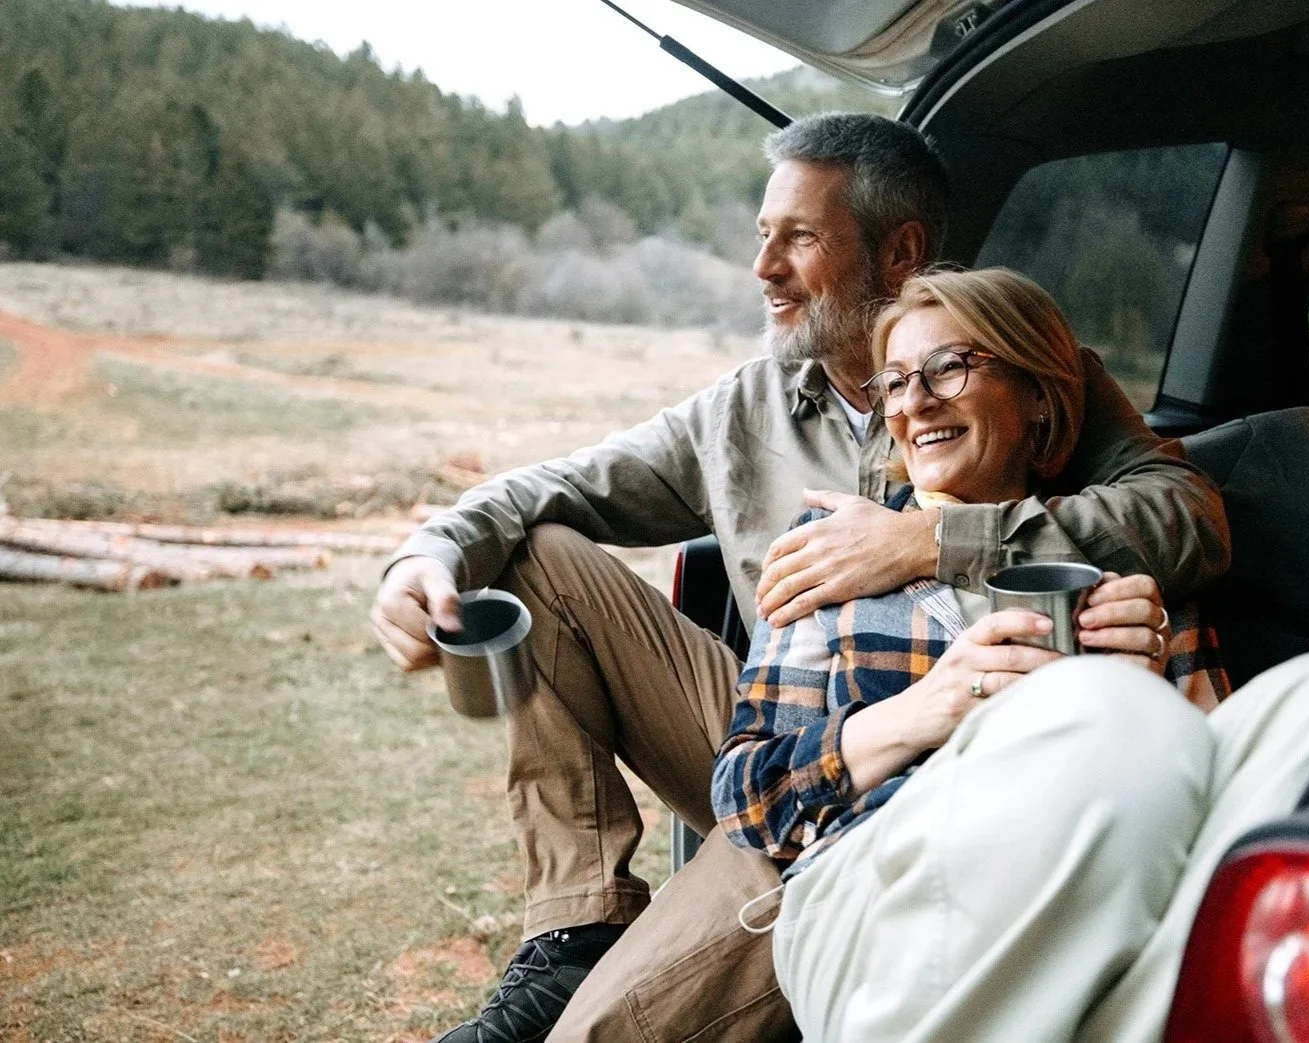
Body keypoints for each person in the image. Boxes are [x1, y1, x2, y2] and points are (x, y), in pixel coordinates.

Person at [371, 113, 1231, 1043]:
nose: (763, 269)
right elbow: (551, 487)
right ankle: (578, 924)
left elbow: (1182, 517)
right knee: (538, 552)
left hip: (955, 784)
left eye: (800, 238)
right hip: (778, 743)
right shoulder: (742, 411)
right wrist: (429, 555)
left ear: (898, 251)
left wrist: (927, 544)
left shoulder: (1024, 377)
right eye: (761, 236)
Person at [712, 267, 1309, 1042]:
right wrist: (923, 710)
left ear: (1038, 398)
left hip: (1130, 909)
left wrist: (1158, 697)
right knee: (1103, 708)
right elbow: (747, 797)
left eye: (949, 367)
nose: (915, 401)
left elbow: (1227, 793)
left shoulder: (1120, 561)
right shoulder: (834, 556)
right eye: (896, 382)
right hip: (880, 907)